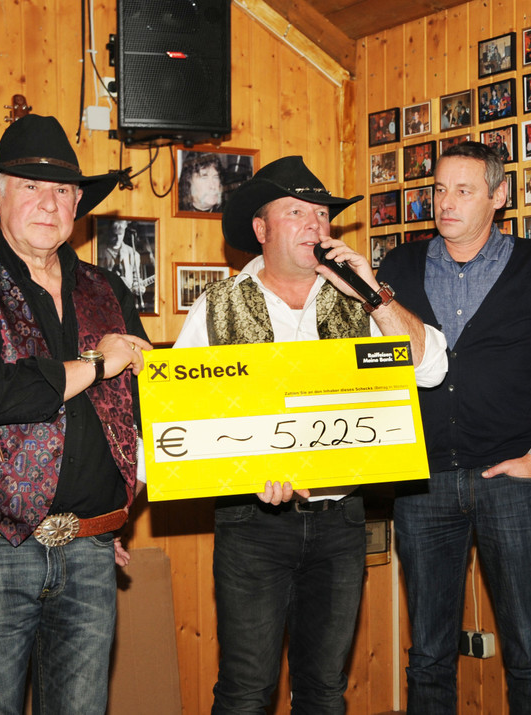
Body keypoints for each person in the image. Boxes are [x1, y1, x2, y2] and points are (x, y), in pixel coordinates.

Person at [172, 156, 447, 714]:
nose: (315, 225)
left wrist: (374, 295)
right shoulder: (216, 306)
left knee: (324, 690)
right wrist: (246, 474)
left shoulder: (363, 301)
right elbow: (184, 419)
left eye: (321, 214)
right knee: (246, 690)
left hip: (339, 523)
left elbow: (432, 367)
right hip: (252, 526)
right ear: (261, 229)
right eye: (296, 212)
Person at [0, 114, 151, 714]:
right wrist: (95, 364)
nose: (49, 203)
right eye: (30, 186)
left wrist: (121, 501)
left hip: (90, 548)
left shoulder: (108, 289)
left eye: (63, 190)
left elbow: (144, 406)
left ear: (78, 204)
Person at [376, 141, 531, 714]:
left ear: (499, 196)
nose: (445, 203)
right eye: (439, 189)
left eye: (463, 190)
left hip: (510, 483)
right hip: (422, 486)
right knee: (428, 657)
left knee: (529, 655)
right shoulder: (398, 268)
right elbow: (369, 373)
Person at [98, 219, 150, 310]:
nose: (118, 238)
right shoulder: (98, 251)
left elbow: (135, 278)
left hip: (125, 305)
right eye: (114, 234)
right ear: (109, 232)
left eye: (120, 234)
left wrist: (139, 286)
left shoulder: (133, 254)